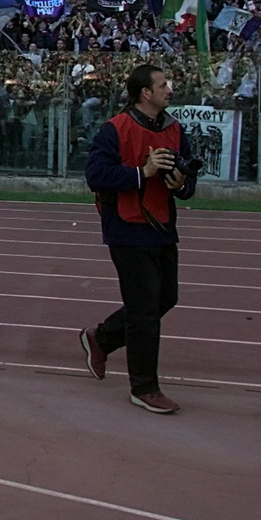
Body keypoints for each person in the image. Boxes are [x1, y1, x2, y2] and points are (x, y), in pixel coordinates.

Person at [81, 63, 198, 414]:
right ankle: (144, 387)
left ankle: (101, 337)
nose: (169, 88)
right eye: (163, 84)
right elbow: (96, 175)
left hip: (161, 225)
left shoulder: (175, 129)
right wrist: (141, 173)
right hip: (127, 228)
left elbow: (188, 174)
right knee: (145, 309)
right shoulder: (115, 129)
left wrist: (181, 184)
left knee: (166, 297)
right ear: (145, 92)